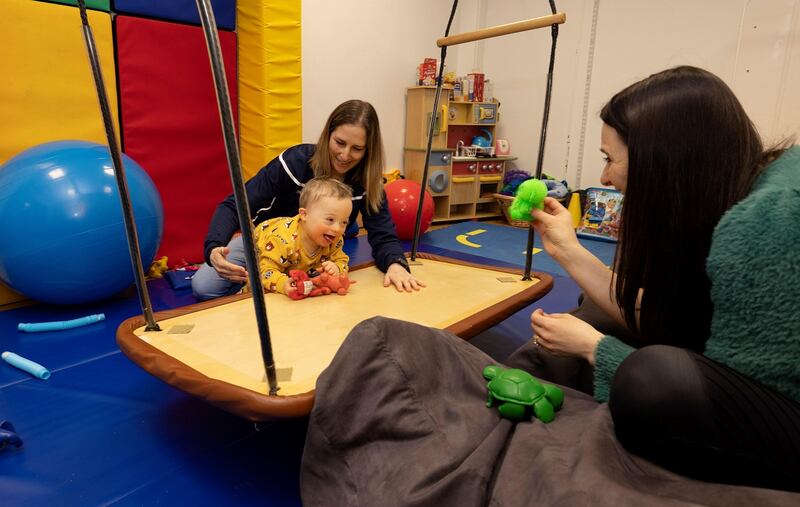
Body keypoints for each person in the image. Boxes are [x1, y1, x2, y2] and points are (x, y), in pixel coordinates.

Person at [299, 66, 800, 503]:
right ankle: (519, 392)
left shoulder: (763, 226)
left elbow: (731, 392)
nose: (605, 174)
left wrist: (599, 352)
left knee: (648, 374)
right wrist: (565, 249)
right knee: (599, 309)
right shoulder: (735, 192)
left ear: (664, 162)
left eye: (611, 158)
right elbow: (681, 318)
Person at [192, 99, 425, 300]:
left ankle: (340, 234)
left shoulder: (367, 181)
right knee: (205, 286)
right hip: (268, 243)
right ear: (328, 135)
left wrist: (395, 263)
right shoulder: (295, 162)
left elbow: (382, 232)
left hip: (316, 253)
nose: (345, 155)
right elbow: (235, 204)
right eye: (340, 143)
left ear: (368, 151)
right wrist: (214, 248)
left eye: (357, 149)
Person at [248, 177, 351, 297]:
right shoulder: (283, 242)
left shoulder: (334, 238)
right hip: (254, 243)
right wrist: (283, 283)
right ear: (304, 215)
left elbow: (342, 260)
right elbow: (264, 271)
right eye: (330, 220)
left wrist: (337, 268)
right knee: (245, 281)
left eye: (344, 222)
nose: (337, 229)